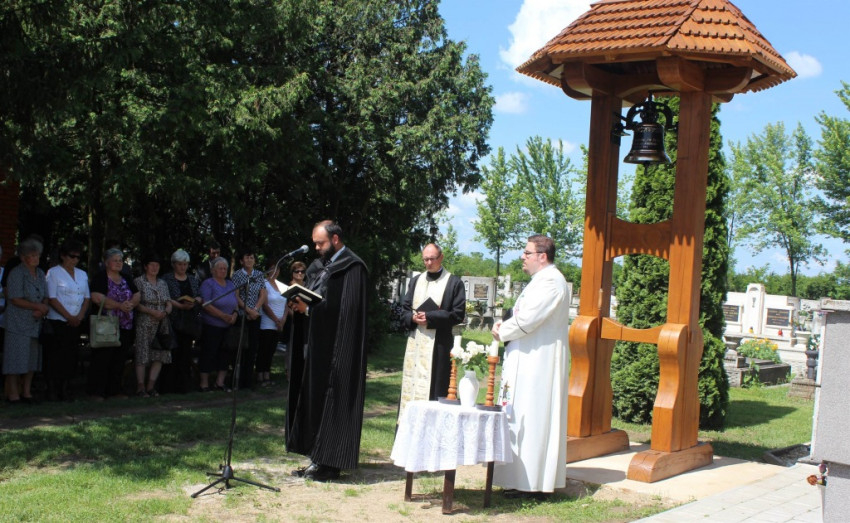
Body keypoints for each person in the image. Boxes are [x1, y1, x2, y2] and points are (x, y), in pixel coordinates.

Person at [288, 220, 368, 482]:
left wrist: (309, 309)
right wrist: (299, 302)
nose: (316, 248)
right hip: (319, 346)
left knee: (335, 400)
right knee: (315, 399)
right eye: (315, 243)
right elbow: (317, 296)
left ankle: (331, 463)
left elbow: (347, 311)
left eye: (320, 243)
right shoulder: (320, 267)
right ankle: (316, 456)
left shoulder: (352, 268)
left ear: (335, 239)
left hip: (340, 348)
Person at [490, 234, 569, 499]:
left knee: (533, 416)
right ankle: (517, 479)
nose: (522, 257)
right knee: (518, 413)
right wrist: (504, 325)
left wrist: (502, 330)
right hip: (525, 356)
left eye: (527, 253)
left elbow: (530, 318)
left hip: (538, 362)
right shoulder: (539, 280)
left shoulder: (551, 282)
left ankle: (533, 482)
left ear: (542, 256)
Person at [397, 243, 465, 419]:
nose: (428, 263)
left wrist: (430, 317)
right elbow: (404, 309)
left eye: (432, 259)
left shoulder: (454, 283)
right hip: (416, 344)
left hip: (439, 347)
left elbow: (458, 314)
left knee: (436, 389)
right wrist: (412, 318)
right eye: (425, 259)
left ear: (441, 258)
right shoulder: (415, 281)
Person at [89, 248, 140, 400]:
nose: (118, 263)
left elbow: (137, 294)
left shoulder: (126, 277)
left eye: (120, 260)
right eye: (115, 260)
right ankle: (96, 392)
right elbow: (96, 297)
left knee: (119, 359)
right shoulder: (100, 278)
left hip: (125, 325)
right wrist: (119, 306)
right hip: (106, 324)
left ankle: (114, 391)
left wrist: (131, 304)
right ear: (106, 262)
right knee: (102, 358)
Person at [3, 239, 48, 403]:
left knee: (32, 360)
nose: (36, 258)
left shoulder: (41, 273)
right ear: (23, 257)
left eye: (37, 255)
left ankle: (27, 392)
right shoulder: (16, 273)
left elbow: (45, 295)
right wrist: (36, 306)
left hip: (35, 323)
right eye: (32, 256)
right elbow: (14, 298)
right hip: (18, 322)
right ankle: (13, 393)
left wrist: (43, 308)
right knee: (15, 359)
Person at [44, 240, 90, 401]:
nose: (75, 260)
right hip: (59, 320)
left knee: (71, 356)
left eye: (78, 257)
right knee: (56, 355)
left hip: (76, 321)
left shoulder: (82, 274)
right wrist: (68, 317)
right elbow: (52, 298)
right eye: (72, 256)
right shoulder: (53, 273)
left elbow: (86, 298)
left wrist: (79, 316)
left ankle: (65, 388)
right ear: (63, 256)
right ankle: (52, 389)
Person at [132, 254, 173, 397]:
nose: (155, 268)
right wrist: (151, 312)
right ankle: (140, 387)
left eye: (157, 265)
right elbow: (136, 304)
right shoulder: (138, 282)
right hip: (144, 322)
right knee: (142, 353)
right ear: (145, 266)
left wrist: (166, 311)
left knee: (159, 354)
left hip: (162, 323)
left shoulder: (162, 283)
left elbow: (168, 302)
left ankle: (151, 386)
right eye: (152, 265)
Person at [162, 249, 201, 393]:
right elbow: (165, 297)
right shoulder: (166, 279)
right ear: (173, 264)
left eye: (185, 264)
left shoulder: (192, 279)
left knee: (185, 354)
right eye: (180, 264)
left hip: (188, 321)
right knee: (172, 353)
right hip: (172, 320)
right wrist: (179, 305)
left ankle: (183, 386)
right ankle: (168, 386)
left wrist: (196, 301)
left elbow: (199, 296)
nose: (183, 267)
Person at [198, 257, 239, 392]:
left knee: (225, 354)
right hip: (211, 325)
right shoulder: (208, 284)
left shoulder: (230, 284)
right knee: (208, 353)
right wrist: (222, 316)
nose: (223, 271)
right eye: (220, 268)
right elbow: (206, 304)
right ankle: (204, 383)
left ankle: (220, 382)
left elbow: (235, 302)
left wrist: (234, 315)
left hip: (228, 326)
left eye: (225, 269)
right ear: (213, 270)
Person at [231, 248, 267, 390]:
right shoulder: (237, 275)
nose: (249, 260)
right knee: (241, 349)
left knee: (252, 348)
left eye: (252, 257)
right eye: (247, 257)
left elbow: (262, 294)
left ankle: (248, 381)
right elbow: (236, 296)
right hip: (242, 315)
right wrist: (248, 310)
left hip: (256, 315)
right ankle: (238, 381)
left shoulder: (259, 274)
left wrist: (255, 309)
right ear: (241, 261)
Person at [258, 259, 287, 386]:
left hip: (279, 324)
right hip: (267, 323)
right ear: (268, 270)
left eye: (277, 268)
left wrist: (283, 320)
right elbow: (265, 305)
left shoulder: (282, 286)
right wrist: (276, 320)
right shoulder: (264, 284)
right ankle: (260, 375)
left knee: (271, 351)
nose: (275, 271)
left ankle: (267, 375)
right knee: (263, 350)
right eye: (272, 268)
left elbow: (286, 304)